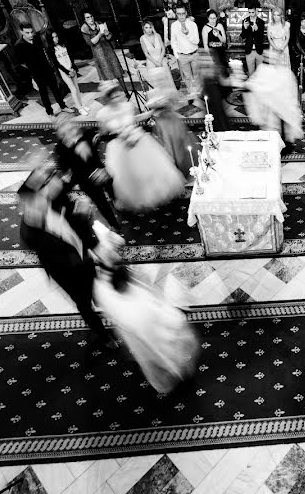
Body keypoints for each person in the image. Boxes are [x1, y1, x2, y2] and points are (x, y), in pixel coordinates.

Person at [18, 166, 117, 349]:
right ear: (41, 191)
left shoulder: (57, 197)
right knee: (83, 303)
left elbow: (78, 223)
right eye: (53, 179)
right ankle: (103, 335)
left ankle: (99, 299)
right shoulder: (31, 230)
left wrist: (93, 241)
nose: (59, 181)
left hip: (83, 257)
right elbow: (46, 251)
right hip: (65, 271)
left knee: (96, 287)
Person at [94, 265, 198, 394]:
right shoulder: (139, 302)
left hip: (137, 342)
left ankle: (162, 385)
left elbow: (102, 290)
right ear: (125, 282)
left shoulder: (109, 295)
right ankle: (174, 381)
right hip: (153, 339)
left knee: (151, 365)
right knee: (168, 360)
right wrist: (176, 321)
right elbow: (160, 316)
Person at [97, 84, 186, 212]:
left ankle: (157, 193)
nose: (118, 97)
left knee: (151, 169)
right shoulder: (102, 114)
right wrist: (120, 134)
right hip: (120, 147)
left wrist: (151, 113)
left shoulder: (128, 106)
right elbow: (104, 132)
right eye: (114, 96)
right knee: (130, 175)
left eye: (119, 93)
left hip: (139, 140)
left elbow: (134, 120)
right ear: (108, 98)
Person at [54, 113, 121, 230]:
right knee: (101, 203)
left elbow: (101, 138)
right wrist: (74, 151)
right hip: (85, 180)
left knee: (111, 187)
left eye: (71, 126)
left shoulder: (87, 133)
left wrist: (112, 133)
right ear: (61, 132)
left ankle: (116, 202)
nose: (71, 131)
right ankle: (114, 224)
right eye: (65, 130)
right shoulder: (61, 148)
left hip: (101, 171)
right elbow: (64, 167)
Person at [244, 51, 304, 147]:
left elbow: (291, 87)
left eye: (274, 58)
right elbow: (256, 82)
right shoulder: (263, 69)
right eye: (269, 58)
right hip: (270, 107)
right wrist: (250, 85)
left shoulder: (285, 71)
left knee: (285, 126)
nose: (272, 60)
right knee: (272, 127)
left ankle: (286, 144)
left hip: (283, 105)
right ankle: (274, 144)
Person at [14, 23, 65, 116]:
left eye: (31, 32)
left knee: (56, 89)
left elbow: (44, 53)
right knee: (44, 94)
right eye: (27, 33)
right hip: (36, 73)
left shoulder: (37, 38)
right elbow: (22, 64)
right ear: (21, 32)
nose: (30, 35)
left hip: (47, 69)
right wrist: (32, 78)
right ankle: (50, 112)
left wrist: (51, 67)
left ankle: (63, 106)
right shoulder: (19, 45)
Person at [148, 93, 197, 178]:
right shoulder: (155, 97)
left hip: (172, 122)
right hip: (164, 125)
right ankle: (177, 170)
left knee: (179, 144)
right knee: (171, 146)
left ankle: (184, 167)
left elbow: (176, 100)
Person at [50, 31, 89, 116]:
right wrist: (67, 71)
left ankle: (81, 105)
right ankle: (79, 108)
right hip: (64, 71)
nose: (55, 39)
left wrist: (73, 67)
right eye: (53, 37)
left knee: (77, 87)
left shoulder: (63, 45)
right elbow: (57, 64)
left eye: (56, 36)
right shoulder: (51, 49)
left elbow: (70, 56)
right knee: (73, 89)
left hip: (71, 67)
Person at [81, 11, 123, 83]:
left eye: (91, 16)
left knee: (116, 67)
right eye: (88, 17)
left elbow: (109, 37)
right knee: (106, 70)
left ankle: (124, 89)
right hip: (98, 51)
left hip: (107, 48)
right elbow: (91, 43)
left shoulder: (99, 23)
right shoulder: (84, 28)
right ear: (84, 19)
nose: (91, 18)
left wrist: (107, 34)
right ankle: (111, 88)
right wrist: (100, 34)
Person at [170, 6, 200, 95]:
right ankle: (191, 93)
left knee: (197, 75)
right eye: (179, 14)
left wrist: (188, 34)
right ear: (176, 14)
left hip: (194, 54)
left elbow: (197, 41)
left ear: (186, 13)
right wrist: (177, 55)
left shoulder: (192, 24)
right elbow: (173, 41)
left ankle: (199, 93)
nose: (181, 16)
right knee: (187, 77)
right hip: (182, 56)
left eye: (183, 13)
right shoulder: (174, 25)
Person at [199, 57, 232, 132]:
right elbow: (223, 81)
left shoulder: (215, 69)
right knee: (214, 114)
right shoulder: (212, 69)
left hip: (214, 93)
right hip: (210, 93)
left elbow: (223, 81)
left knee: (217, 113)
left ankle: (219, 130)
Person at [241, 8, 266, 75]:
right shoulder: (245, 21)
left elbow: (262, 37)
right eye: (249, 12)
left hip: (259, 50)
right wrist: (245, 28)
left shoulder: (261, 22)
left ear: (256, 11)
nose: (251, 14)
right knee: (251, 73)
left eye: (253, 12)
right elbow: (243, 36)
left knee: (260, 73)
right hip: (249, 50)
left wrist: (257, 30)